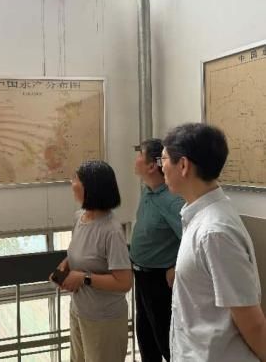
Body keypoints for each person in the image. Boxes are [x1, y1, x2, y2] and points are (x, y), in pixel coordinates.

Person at [161, 123, 266, 361]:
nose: (161, 167)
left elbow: (252, 322)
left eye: (164, 159)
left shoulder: (214, 232)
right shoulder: (198, 216)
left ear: (183, 165)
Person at [52, 160, 132, 362]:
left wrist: (83, 278)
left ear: (91, 188)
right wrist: (66, 265)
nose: (72, 184)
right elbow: (82, 253)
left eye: (76, 179)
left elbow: (124, 283)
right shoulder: (79, 218)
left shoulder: (111, 231)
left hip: (105, 321)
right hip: (79, 312)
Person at [130, 139, 184, 362]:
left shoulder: (172, 201)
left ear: (152, 166)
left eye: (139, 155)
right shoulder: (147, 191)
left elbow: (191, 238)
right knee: (145, 337)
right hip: (141, 276)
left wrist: (176, 266)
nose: (135, 160)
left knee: (164, 339)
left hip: (160, 281)